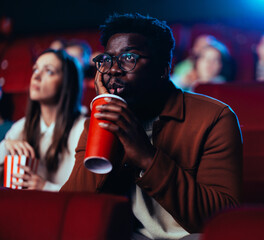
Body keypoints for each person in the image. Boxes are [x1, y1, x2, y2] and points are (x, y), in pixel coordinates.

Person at [60, 13, 243, 239]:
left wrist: (147, 157)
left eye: (128, 58)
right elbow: (70, 208)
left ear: (163, 70)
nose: (114, 70)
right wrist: (104, 133)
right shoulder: (99, 122)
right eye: (107, 60)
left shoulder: (215, 118)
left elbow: (221, 219)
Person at [0, 49, 86, 191]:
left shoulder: (82, 128)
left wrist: (45, 187)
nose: (36, 76)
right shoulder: (21, 126)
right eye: (35, 69)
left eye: (49, 71)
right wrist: (6, 145)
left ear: (67, 82)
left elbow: (86, 195)